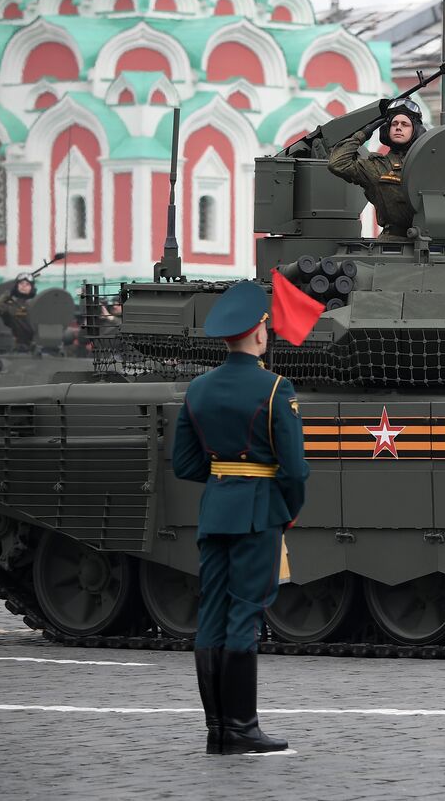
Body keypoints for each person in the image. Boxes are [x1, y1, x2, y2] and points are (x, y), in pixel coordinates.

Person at [171, 281, 309, 755]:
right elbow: (294, 469)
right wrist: (286, 509)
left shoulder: (198, 388)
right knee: (245, 613)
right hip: (259, 512)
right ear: (258, 332)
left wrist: (226, 480)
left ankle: (218, 730)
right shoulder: (275, 388)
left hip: (216, 510)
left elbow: (184, 464)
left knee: (211, 614)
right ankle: (243, 729)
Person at [327, 97, 424, 240]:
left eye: (405, 124)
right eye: (394, 124)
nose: (398, 127)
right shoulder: (376, 166)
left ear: (417, 131)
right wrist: (364, 133)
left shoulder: (426, 164)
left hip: (431, 241)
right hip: (393, 242)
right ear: (386, 130)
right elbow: (337, 163)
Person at [0, 275, 36, 349]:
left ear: (32, 287)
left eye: (27, 284)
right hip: (18, 343)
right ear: (17, 286)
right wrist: (7, 294)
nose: (24, 286)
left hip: (35, 341)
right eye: (21, 284)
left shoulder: (35, 303)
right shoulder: (11, 304)